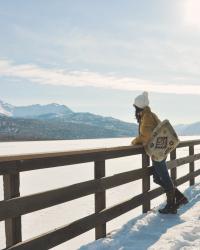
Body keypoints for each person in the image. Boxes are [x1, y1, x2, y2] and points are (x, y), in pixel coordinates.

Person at [131, 91, 188, 214]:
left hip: (157, 153)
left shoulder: (146, 116)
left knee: (164, 177)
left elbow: (145, 135)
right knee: (158, 178)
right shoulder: (149, 114)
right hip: (159, 150)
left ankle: (171, 205)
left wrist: (135, 141)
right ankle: (179, 197)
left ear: (138, 106)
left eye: (135, 106)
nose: (134, 109)